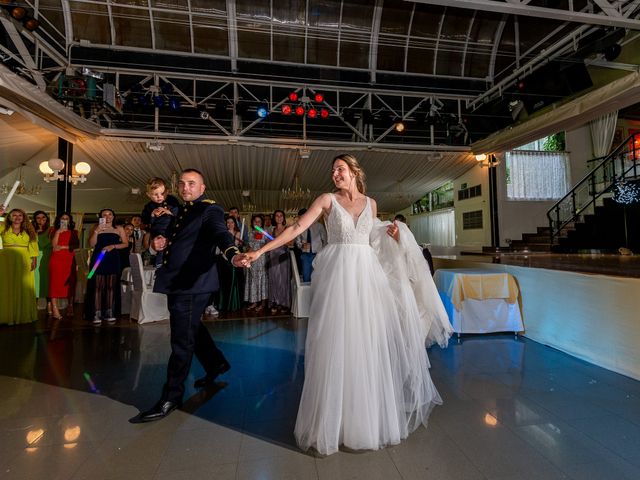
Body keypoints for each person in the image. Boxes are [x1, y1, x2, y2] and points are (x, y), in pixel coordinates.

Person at [244, 154, 452, 455]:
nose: (335, 174)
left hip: (367, 280)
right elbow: (295, 228)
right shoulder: (327, 200)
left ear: (354, 172)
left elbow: (372, 240)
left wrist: (391, 235)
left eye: (340, 169)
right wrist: (261, 250)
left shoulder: (372, 203)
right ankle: (334, 422)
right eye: (333, 171)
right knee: (335, 345)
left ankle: (364, 421)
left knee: (366, 345)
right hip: (338, 278)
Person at [129, 169, 247, 423]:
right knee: (190, 327)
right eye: (182, 184)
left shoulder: (209, 209)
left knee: (181, 340)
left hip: (194, 283)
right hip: (177, 282)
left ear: (202, 188)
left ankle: (171, 396)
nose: (186, 188)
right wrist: (155, 243)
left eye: (191, 184)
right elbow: (168, 238)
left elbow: (220, 233)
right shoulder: (179, 211)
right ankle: (216, 364)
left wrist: (232, 252)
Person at [86, 209, 129, 324]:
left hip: (113, 258)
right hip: (98, 257)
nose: (107, 216)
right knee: (97, 286)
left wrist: (113, 246)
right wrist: (97, 231)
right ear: (100, 217)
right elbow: (91, 244)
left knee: (111, 286)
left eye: (110, 214)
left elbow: (126, 244)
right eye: (104, 214)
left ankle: (109, 312)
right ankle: (96, 312)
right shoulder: (96, 228)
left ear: (114, 216)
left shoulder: (119, 228)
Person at [0, 208, 39, 325]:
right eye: (14, 215)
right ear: (10, 217)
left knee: (24, 286)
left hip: (24, 259)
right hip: (6, 259)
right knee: (7, 286)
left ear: (24, 217)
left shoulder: (30, 230)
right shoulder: (3, 228)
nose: (17, 217)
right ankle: (6, 316)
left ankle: (23, 315)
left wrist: (34, 259)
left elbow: (33, 245)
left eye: (20, 215)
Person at [141, 178, 180, 267]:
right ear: (148, 195)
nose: (159, 197)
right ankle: (158, 263)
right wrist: (152, 214)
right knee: (160, 246)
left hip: (171, 229)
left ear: (167, 192)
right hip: (156, 231)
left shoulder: (172, 201)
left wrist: (168, 212)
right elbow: (145, 221)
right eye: (155, 194)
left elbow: (179, 215)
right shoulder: (148, 206)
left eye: (162, 193)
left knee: (172, 247)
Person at [49, 212, 79, 319]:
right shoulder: (53, 231)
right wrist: (58, 232)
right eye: (63, 218)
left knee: (70, 282)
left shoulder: (74, 232)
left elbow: (76, 246)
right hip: (57, 260)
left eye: (67, 218)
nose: (65, 220)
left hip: (70, 260)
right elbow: (54, 245)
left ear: (70, 221)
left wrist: (62, 247)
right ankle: (55, 309)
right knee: (55, 283)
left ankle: (70, 306)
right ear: (59, 220)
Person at [267, 209, 291, 313]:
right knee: (274, 279)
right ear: (274, 218)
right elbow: (268, 245)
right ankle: (275, 302)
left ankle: (284, 303)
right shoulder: (270, 230)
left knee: (284, 280)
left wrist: (280, 240)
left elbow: (291, 243)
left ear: (284, 218)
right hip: (273, 256)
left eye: (281, 215)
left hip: (284, 256)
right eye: (277, 215)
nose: (279, 217)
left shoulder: (288, 229)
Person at [244, 214, 269, 312]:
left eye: (259, 221)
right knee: (252, 280)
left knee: (262, 280)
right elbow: (249, 246)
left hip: (262, 259)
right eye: (255, 221)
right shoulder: (250, 233)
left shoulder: (265, 232)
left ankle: (262, 303)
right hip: (252, 259)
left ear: (262, 223)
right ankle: (254, 302)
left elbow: (270, 244)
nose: (257, 223)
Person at [294, 210, 327, 282]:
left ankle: (316, 292)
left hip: (317, 254)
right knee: (306, 276)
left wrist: (322, 253)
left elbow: (325, 240)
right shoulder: (299, 228)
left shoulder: (319, 226)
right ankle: (307, 293)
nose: (302, 219)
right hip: (305, 255)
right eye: (300, 218)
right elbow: (297, 242)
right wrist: (302, 246)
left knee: (317, 276)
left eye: (303, 217)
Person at [32, 210, 53, 315]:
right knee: (35, 282)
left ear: (47, 219)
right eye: (38, 218)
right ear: (35, 220)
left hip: (47, 257)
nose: (41, 220)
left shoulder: (51, 230)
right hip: (34, 258)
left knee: (47, 282)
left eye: (43, 218)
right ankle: (33, 306)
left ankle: (49, 305)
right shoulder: (31, 230)